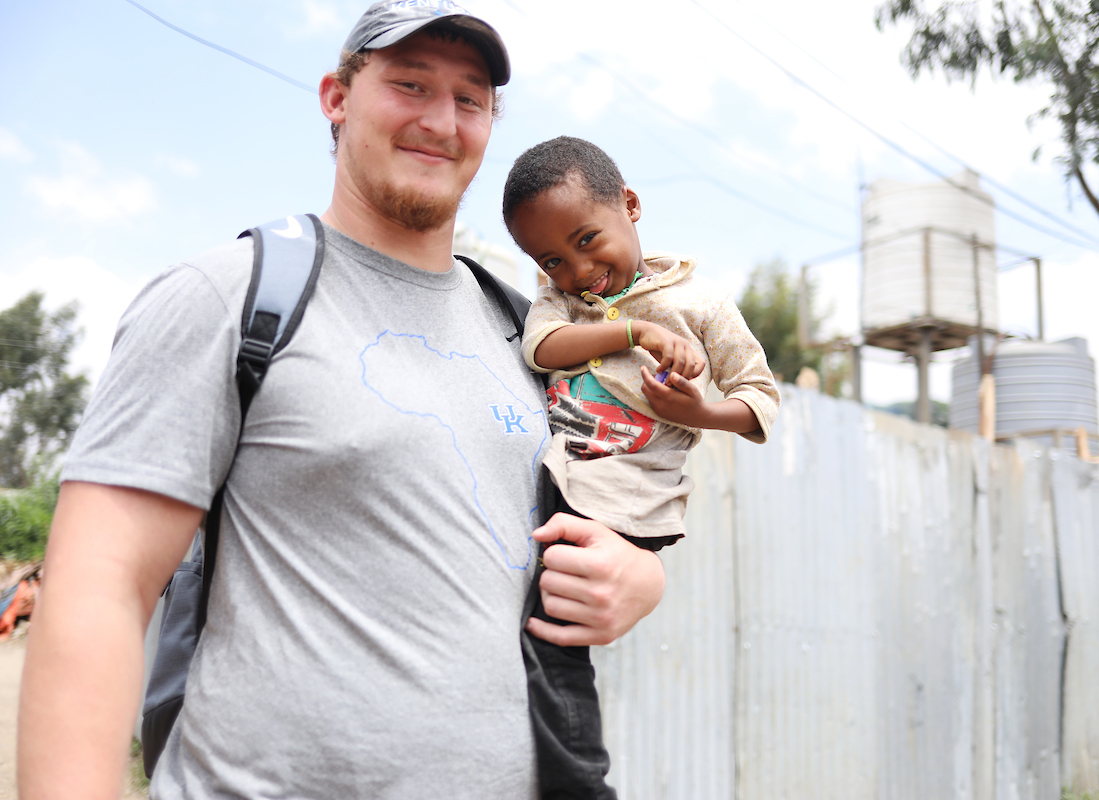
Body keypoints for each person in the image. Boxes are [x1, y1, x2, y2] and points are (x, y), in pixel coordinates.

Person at [17, 5, 666, 799]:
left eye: (469, 99)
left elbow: (615, 488)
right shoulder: (230, 298)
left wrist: (641, 575)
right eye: (410, 85)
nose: (441, 121)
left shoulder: (529, 332)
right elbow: (99, 589)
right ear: (336, 97)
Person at [502, 136, 780, 798]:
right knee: (520, 619)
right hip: (562, 475)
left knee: (551, 641)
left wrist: (701, 411)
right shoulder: (559, 301)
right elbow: (542, 348)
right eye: (551, 259)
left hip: (629, 493)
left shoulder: (700, 303)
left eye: (587, 239)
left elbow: (760, 398)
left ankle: (579, 783)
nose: (577, 270)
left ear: (629, 204)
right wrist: (636, 332)